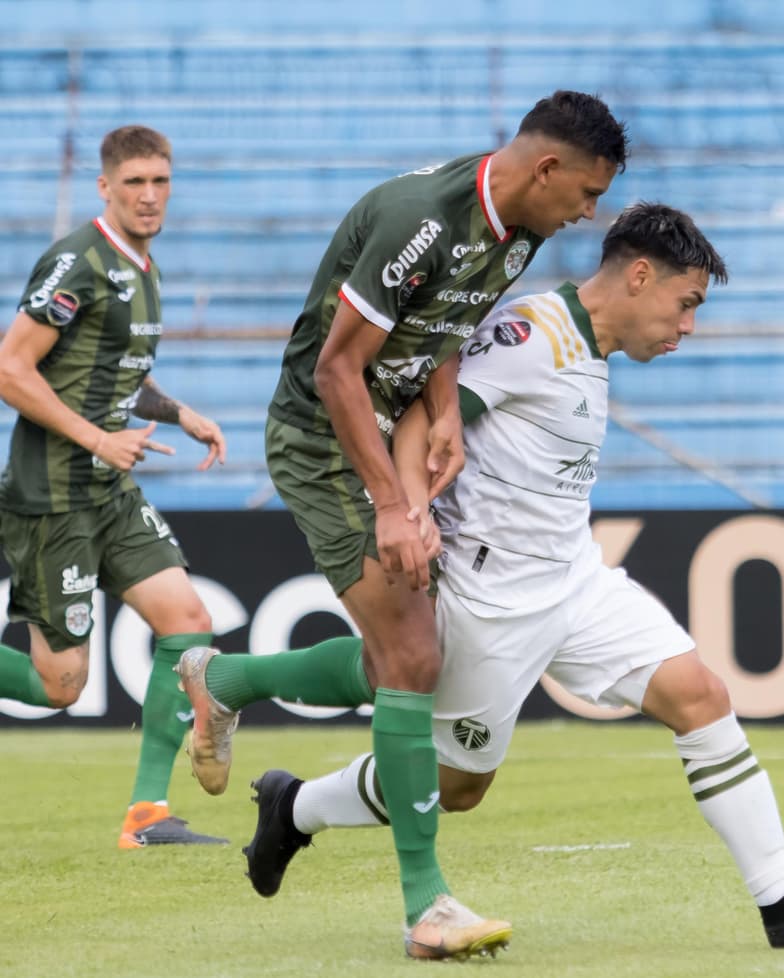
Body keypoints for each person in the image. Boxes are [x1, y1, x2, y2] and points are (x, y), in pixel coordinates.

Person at [231, 202, 784, 948]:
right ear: (640, 276)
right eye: (686, 303)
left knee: (698, 693)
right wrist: (410, 512)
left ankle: (783, 902)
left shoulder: (590, 347)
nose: (688, 327)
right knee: (458, 787)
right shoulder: (528, 336)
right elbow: (421, 419)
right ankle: (295, 808)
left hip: (576, 580)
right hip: (495, 597)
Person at [175, 90, 628, 961]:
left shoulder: (520, 230)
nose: (589, 214)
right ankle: (427, 904)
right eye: (586, 193)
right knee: (416, 656)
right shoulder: (420, 217)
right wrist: (391, 502)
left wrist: (447, 409)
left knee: (414, 652)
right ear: (547, 169)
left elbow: (447, 322)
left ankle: (225, 680)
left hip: (393, 421)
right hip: (323, 434)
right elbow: (338, 369)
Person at [0, 125, 229, 849]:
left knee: (189, 623)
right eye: (135, 182)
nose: (150, 195)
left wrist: (176, 411)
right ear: (106, 187)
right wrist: (99, 438)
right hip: (55, 496)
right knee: (61, 687)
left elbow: (110, 368)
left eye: (161, 180)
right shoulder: (78, 261)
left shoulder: (143, 264)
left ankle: (147, 817)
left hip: (109, 489)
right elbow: (11, 368)